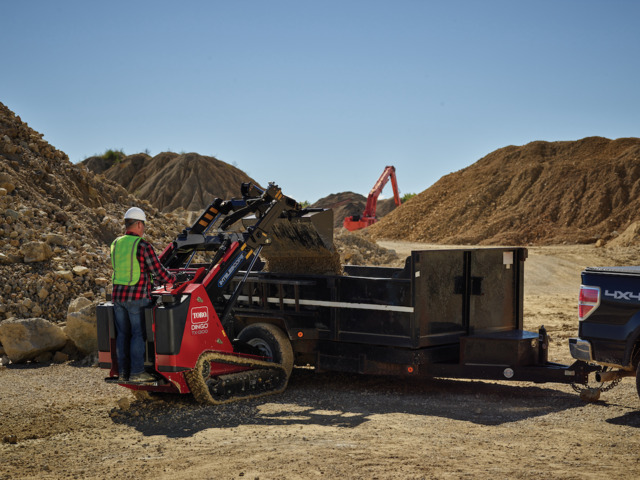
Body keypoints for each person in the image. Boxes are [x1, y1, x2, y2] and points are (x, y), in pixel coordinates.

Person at [110, 207, 176, 383]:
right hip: (137, 297)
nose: (144, 229)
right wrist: (172, 279)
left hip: (117, 297)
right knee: (138, 334)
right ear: (139, 224)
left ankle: (123, 373)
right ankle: (137, 372)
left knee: (123, 334)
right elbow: (157, 271)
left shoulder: (115, 243)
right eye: (143, 225)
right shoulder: (142, 245)